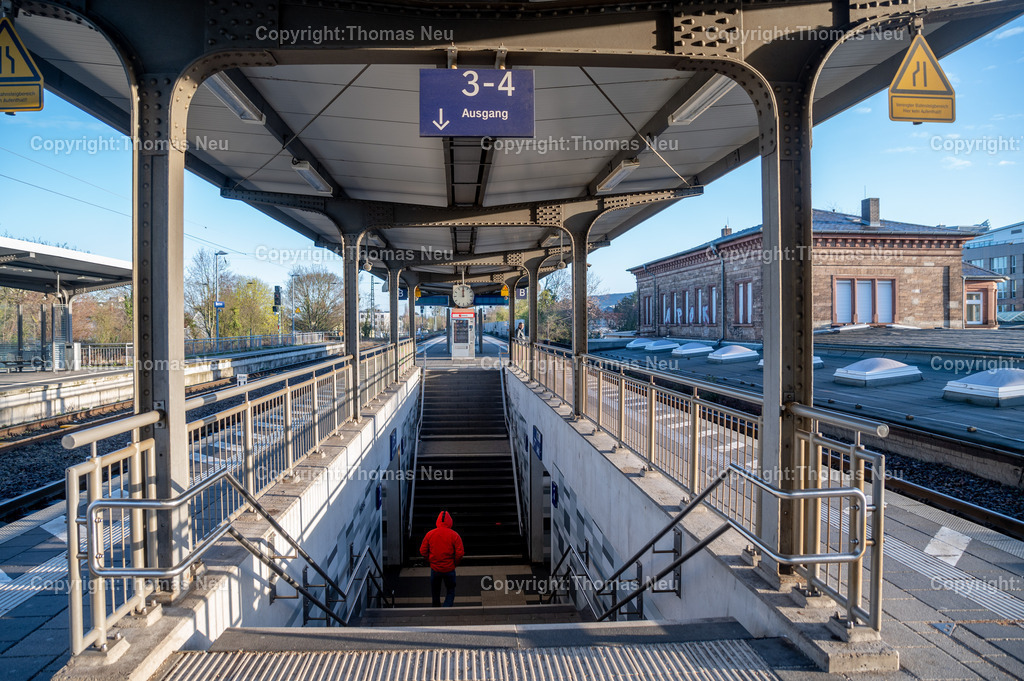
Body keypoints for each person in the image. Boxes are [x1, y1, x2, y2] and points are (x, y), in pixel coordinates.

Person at [419, 510, 465, 607]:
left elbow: (423, 551)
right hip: (449, 569)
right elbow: (460, 553)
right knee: (450, 591)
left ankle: (436, 611)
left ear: (437, 521)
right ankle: (446, 609)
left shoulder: (430, 534)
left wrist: (430, 561)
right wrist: (454, 564)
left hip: (435, 569)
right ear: (450, 521)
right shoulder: (454, 535)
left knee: (435, 592)